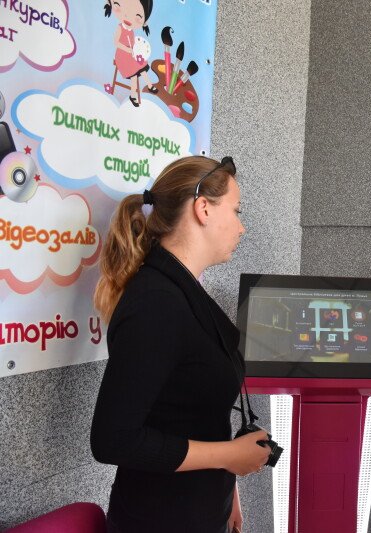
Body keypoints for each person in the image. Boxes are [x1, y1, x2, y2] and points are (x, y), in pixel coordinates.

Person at [91, 156, 269, 533]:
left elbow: (192, 413)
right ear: (203, 209)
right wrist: (229, 457)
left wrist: (229, 491)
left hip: (203, 510)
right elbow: (112, 440)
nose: (241, 226)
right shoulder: (155, 302)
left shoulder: (185, 289)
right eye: (235, 211)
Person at [105, 0, 157, 106]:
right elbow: (116, 43)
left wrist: (136, 51)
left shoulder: (131, 31)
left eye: (137, 17)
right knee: (134, 75)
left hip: (130, 55)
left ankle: (150, 85)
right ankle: (133, 96)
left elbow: (133, 45)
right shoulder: (120, 27)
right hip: (121, 56)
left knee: (143, 68)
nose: (128, 17)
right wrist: (127, 49)